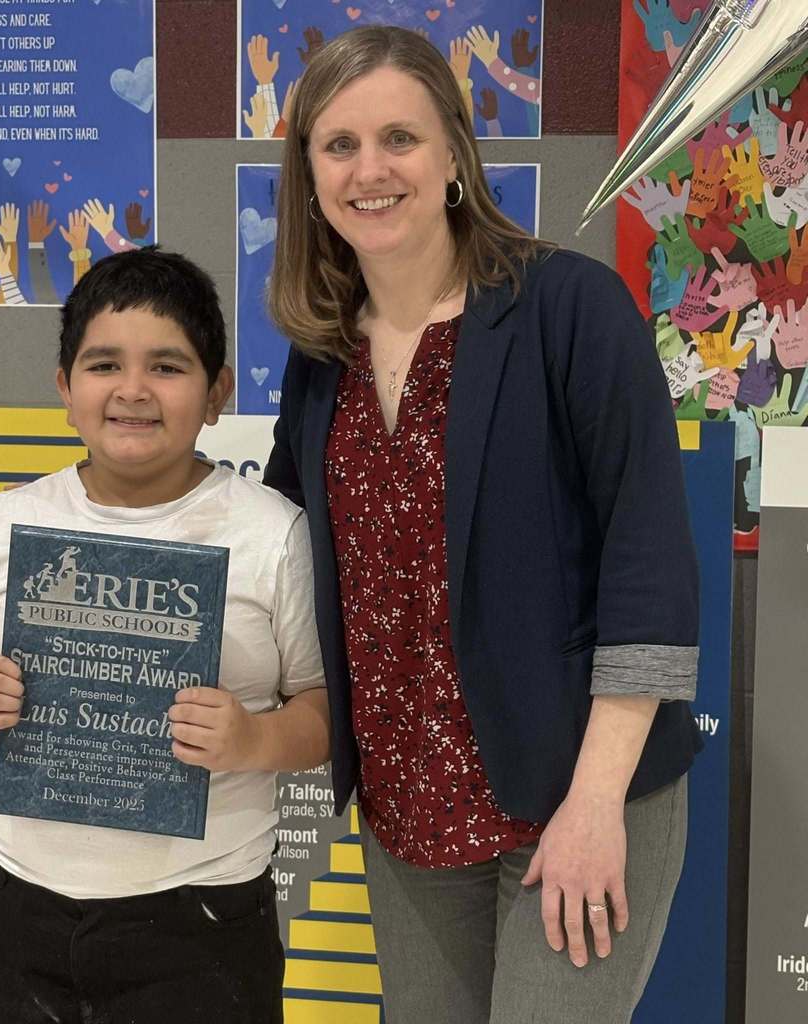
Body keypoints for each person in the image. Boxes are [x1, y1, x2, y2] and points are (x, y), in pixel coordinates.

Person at [263, 25, 701, 1024]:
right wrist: (62, 519)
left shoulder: (568, 308)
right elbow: (268, 538)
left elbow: (648, 565)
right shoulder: (321, 355)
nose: (369, 170)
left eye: (399, 140)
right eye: (338, 146)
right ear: (309, 173)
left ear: (455, 152)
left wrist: (593, 806)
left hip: (575, 794)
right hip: (408, 812)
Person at [0, 247, 330, 1024]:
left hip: (204, 918)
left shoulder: (272, 534)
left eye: (168, 366)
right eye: (102, 366)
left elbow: (324, 713)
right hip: (16, 911)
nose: (132, 390)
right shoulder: (5, 523)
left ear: (218, 392)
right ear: (65, 389)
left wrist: (253, 742)